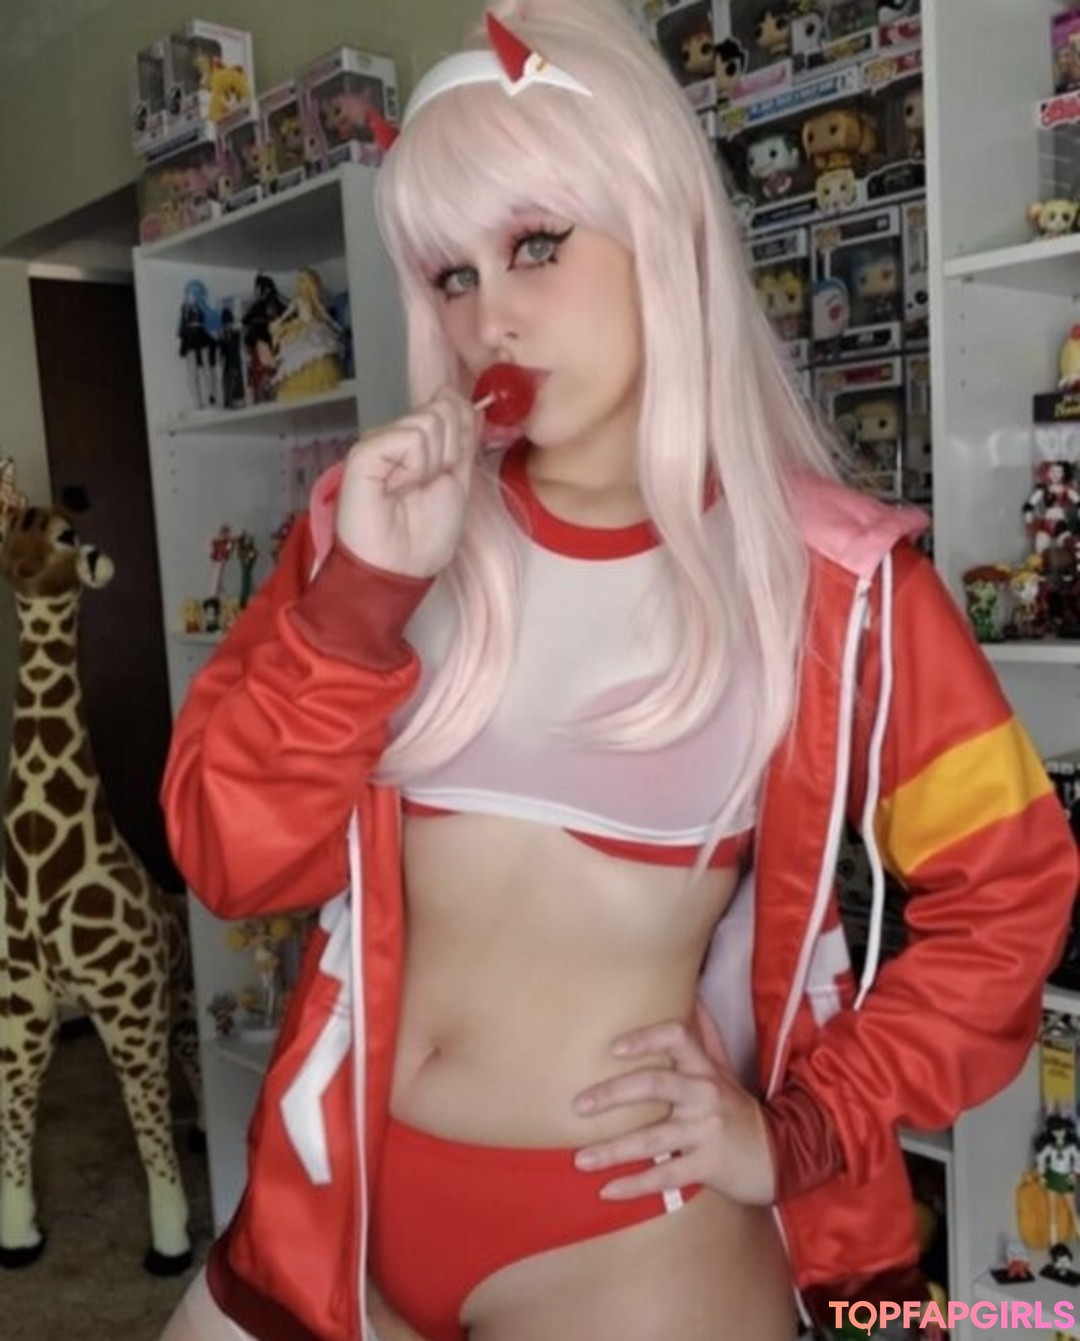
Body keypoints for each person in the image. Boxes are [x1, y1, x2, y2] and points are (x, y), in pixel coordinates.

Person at [157, 2, 1078, 1339]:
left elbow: (1012, 888)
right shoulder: (371, 534)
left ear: (663, 232)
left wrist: (808, 1126)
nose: (491, 315)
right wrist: (359, 604)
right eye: (453, 275)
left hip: (629, 1245)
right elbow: (231, 862)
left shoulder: (838, 585)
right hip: (330, 1203)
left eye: (537, 245)